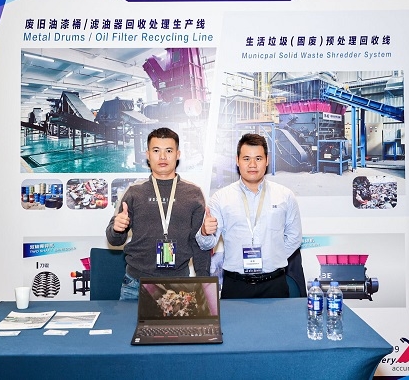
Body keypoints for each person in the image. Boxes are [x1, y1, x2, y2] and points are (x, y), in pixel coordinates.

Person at [106, 127, 211, 300]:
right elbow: (114, 240)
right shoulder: (134, 191)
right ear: (147, 155)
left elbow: (199, 243)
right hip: (136, 285)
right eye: (156, 151)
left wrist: (204, 282)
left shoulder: (193, 193)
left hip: (179, 286)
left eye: (168, 151)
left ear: (178, 154)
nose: (162, 157)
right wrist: (117, 229)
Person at [197, 133, 303, 298]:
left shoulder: (285, 196)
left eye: (258, 158)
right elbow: (206, 244)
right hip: (235, 286)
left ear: (267, 160)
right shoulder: (221, 197)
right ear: (237, 160)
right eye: (246, 158)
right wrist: (205, 232)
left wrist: (272, 257)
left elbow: (294, 237)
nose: (252, 164)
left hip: (274, 284)